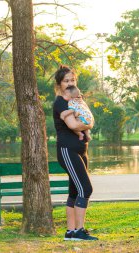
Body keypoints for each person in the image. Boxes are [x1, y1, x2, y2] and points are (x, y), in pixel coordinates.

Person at [52, 65, 98, 241]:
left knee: (73, 191)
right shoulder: (60, 103)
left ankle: (70, 232)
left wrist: (87, 122)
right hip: (67, 150)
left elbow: (86, 115)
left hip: (80, 150)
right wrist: (89, 125)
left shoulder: (77, 98)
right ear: (59, 85)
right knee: (85, 188)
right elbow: (74, 125)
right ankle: (79, 231)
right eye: (66, 81)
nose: (70, 83)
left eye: (72, 80)